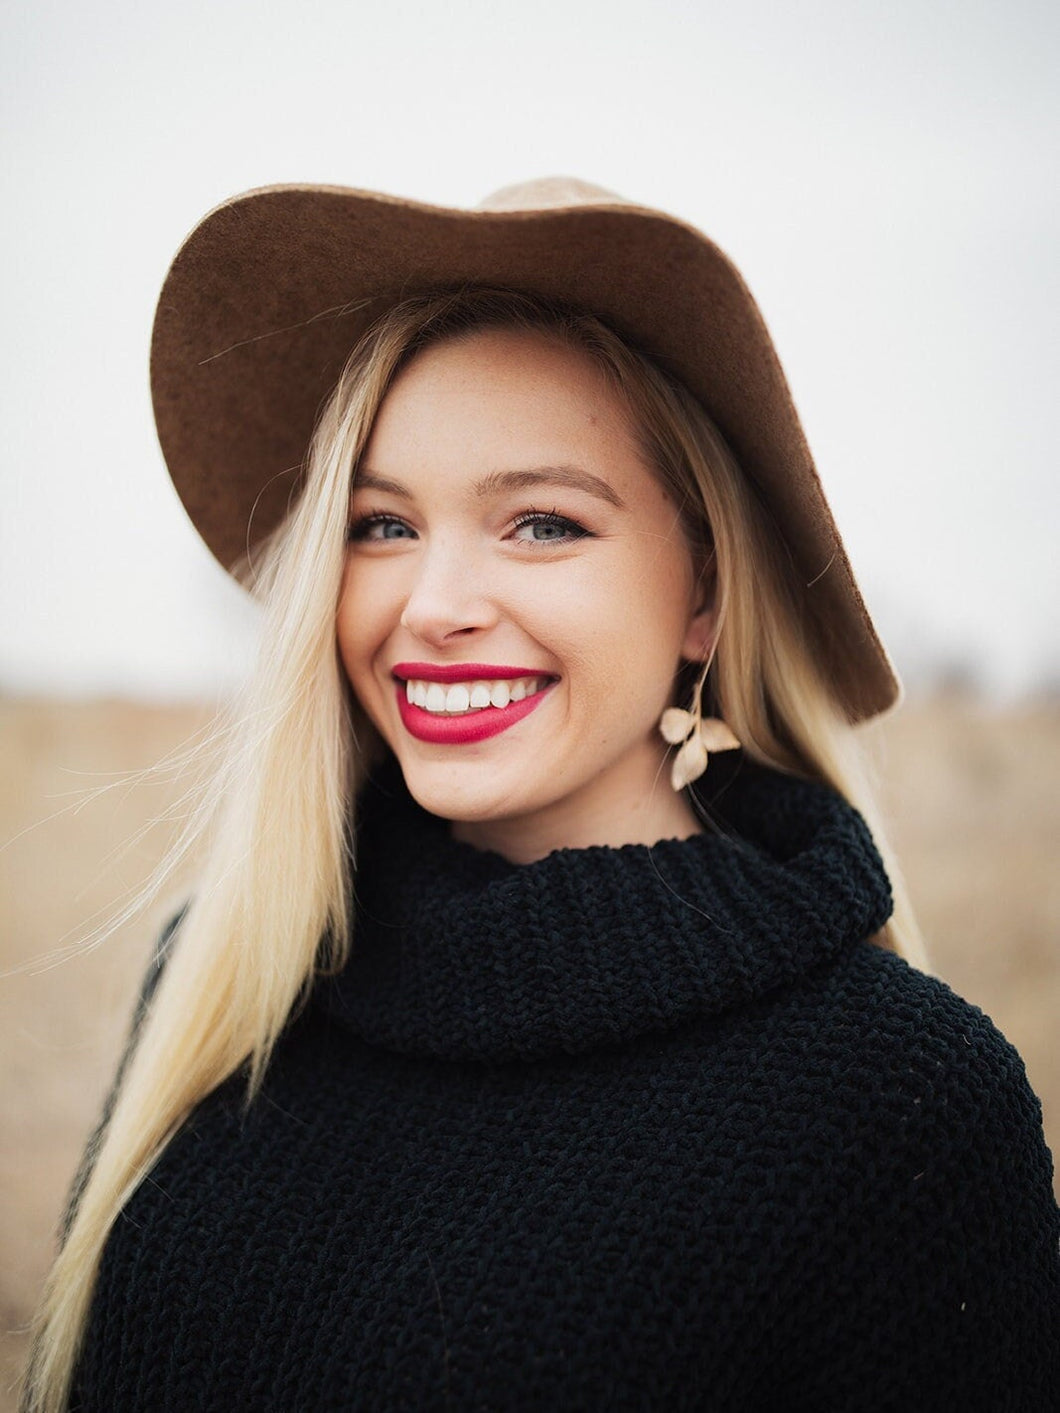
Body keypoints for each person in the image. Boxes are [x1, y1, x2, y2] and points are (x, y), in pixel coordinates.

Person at [23, 178, 1058, 1412]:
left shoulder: (895, 1109)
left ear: (702, 595)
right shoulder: (227, 975)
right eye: (382, 526)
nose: (435, 604)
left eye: (543, 525)